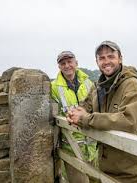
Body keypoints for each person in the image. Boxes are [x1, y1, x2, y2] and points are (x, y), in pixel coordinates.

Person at [67, 41, 137, 183]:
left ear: (120, 58)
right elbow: (86, 106)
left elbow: (129, 122)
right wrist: (74, 112)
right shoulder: (99, 86)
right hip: (104, 165)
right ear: (97, 61)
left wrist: (85, 119)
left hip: (127, 171)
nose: (106, 61)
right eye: (102, 58)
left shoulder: (132, 85)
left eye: (111, 56)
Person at [51, 51, 96, 183]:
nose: (67, 65)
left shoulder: (89, 83)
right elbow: (54, 115)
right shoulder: (53, 87)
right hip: (71, 147)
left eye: (69, 62)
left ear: (76, 63)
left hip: (91, 147)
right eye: (62, 63)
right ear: (59, 67)